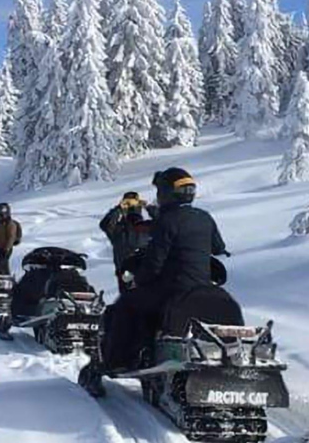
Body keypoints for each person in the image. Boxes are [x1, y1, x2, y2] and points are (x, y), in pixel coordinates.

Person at [80, 168, 228, 395]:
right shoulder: (204, 217)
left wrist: (141, 280)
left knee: (122, 309)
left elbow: (154, 263)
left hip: (171, 287)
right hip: (203, 286)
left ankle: (115, 361)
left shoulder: (165, 221)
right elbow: (218, 248)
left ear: (167, 193)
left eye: (160, 191)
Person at [99, 192, 154, 293]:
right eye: (128, 203)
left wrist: (149, 207)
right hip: (125, 272)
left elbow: (164, 223)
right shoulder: (118, 229)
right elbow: (105, 224)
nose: (131, 207)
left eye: (134, 203)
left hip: (146, 271)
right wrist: (118, 209)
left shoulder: (146, 226)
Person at [0, 203, 22, 275]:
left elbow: (11, 237)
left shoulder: (10, 224)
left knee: (2, 263)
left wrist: (6, 249)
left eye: (0, 215)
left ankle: (7, 278)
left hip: (5, 249)